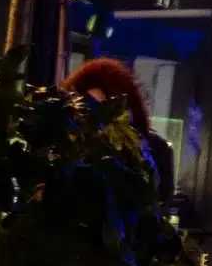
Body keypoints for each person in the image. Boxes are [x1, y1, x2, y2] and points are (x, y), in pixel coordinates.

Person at [65, 58, 176, 206]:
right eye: (87, 109)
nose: (96, 121)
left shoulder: (156, 150)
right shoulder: (68, 146)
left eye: (105, 110)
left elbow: (159, 205)